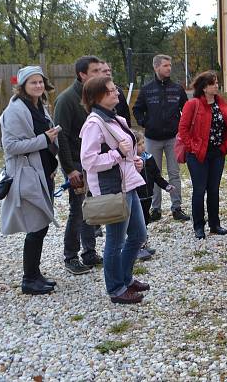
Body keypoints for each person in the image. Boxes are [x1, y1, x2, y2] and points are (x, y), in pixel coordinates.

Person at [80, 75, 148, 305]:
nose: (117, 93)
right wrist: (118, 154)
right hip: (113, 190)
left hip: (129, 184)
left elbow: (128, 150)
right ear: (97, 97)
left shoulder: (116, 119)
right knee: (115, 241)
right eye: (110, 91)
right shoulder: (93, 124)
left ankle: (126, 279)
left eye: (115, 89)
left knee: (138, 235)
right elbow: (89, 161)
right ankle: (116, 288)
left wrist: (136, 160)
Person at [0, 66, 60, 295]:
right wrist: (44, 139)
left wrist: (52, 157)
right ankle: (29, 279)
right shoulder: (14, 111)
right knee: (36, 226)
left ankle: (35, 274)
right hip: (27, 175)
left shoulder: (40, 107)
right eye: (33, 82)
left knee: (41, 226)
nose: (38, 86)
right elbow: (11, 147)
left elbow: (47, 138)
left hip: (44, 173)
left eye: (40, 82)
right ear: (23, 86)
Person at [53, 55, 102, 275]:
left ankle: (89, 252)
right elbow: (60, 137)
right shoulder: (66, 100)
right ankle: (70, 256)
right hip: (76, 164)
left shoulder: (95, 96)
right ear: (82, 75)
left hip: (94, 163)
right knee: (78, 210)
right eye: (95, 71)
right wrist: (70, 168)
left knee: (91, 208)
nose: (100, 75)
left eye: (101, 71)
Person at [179, 71, 227, 240]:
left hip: (217, 153)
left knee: (213, 189)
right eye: (213, 83)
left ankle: (214, 223)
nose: (217, 86)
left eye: (217, 82)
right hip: (197, 155)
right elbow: (183, 129)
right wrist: (193, 148)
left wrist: (224, 147)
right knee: (199, 190)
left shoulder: (221, 103)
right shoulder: (193, 104)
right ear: (204, 87)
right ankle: (198, 226)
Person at [132, 54, 190, 222]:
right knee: (152, 173)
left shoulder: (177, 89)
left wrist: (181, 127)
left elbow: (186, 110)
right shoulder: (147, 89)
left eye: (170, 65)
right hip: (152, 139)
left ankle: (176, 207)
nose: (169, 68)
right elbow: (137, 109)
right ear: (156, 67)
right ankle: (155, 208)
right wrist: (145, 123)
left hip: (173, 138)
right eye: (165, 65)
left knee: (174, 173)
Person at [132, 130, 171, 260]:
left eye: (143, 143)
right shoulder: (130, 162)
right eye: (139, 144)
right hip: (137, 197)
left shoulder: (149, 158)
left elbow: (156, 175)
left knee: (145, 220)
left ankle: (143, 243)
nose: (142, 146)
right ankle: (137, 247)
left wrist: (166, 185)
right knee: (138, 222)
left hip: (148, 195)